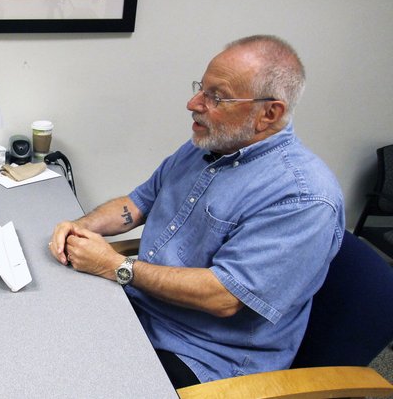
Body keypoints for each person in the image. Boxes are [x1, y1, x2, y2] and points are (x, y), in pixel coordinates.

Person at [49, 35, 345, 387]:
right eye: (200, 89)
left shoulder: (304, 198)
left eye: (216, 96)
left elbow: (223, 297)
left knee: (65, 381)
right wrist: (78, 227)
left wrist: (116, 266)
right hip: (142, 309)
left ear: (270, 113)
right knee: (42, 329)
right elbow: (137, 203)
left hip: (204, 357)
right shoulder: (210, 143)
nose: (193, 103)